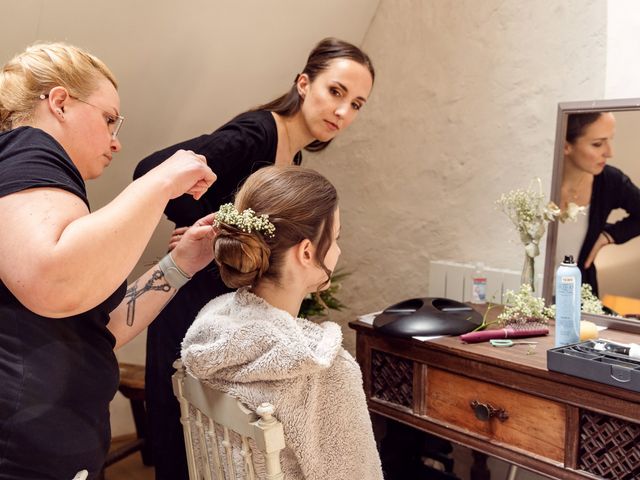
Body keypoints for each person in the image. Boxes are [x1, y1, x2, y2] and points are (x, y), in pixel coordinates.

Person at [133, 37, 375, 479]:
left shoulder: (293, 154)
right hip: (192, 305)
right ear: (304, 83)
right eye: (336, 92)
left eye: (357, 104)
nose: (343, 112)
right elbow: (151, 169)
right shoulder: (255, 134)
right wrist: (212, 225)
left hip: (227, 305)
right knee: (185, 437)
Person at [0, 43, 217, 479]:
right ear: (59, 102)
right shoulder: (27, 149)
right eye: (109, 119)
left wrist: (182, 263)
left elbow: (101, 326)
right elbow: (53, 281)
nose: (116, 141)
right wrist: (160, 182)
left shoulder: (47, 178)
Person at [181, 165, 384, 480]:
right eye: (336, 237)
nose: (339, 249)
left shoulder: (209, 332)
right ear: (306, 252)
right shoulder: (326, 373)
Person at [558, 111, 640, 295]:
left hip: (581, 297)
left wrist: (607, 236)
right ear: (566, 145)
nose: (609, 153)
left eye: (609, 140)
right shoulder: (537, 182)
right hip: (531, 296)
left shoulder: (610, 181)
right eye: (597, 144)